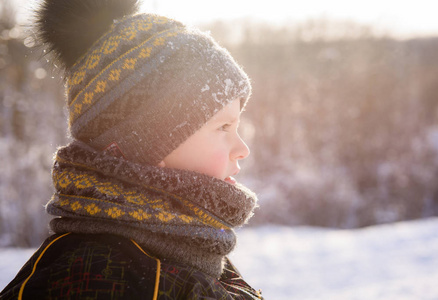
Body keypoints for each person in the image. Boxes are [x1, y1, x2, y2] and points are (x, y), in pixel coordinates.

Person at [0, 0, 263, 299]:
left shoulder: (192, 250)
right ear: (148, 147)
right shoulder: (95, 281)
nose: (242, 149)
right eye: (223, 128)